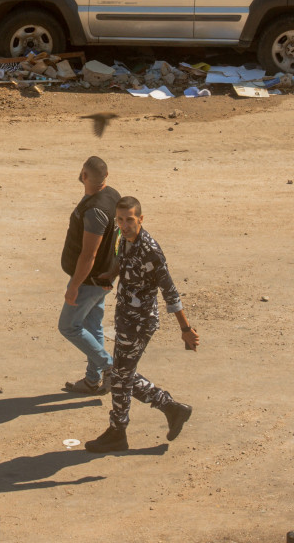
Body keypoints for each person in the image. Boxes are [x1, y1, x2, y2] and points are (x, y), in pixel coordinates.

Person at [84, 196, 198, 453]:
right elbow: (121, 260)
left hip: (140, 323)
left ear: (141, 219)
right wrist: (111, 274)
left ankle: (118, 431)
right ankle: (170, 408)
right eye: (121, 220)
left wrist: (185, 329)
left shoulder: (151, 251)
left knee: (120, 376)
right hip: (125, 318)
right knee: (122, 375)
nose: (124, 225)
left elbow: (170, 292)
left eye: (130, 220)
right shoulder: (124, 238)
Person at [59, 156, 118, 395]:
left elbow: (88, 255)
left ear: (85, 176)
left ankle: (111, 367)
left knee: (69, 326)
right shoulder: (113, 195)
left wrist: (74, 286)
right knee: (93, 327)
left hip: (90, 279)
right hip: (103, 277)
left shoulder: (95, 211)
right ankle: (93, 380)